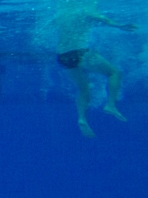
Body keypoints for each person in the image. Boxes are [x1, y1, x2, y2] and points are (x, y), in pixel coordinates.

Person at [55, 9, 137, 138]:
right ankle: (110, 104)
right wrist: (120, 26)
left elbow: (47, 26)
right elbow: (104, 19)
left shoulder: (63, 13)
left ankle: (82, 118)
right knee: (114, 72)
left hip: (63, 56)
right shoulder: (85, 10)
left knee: (84, 89)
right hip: (80, 51)